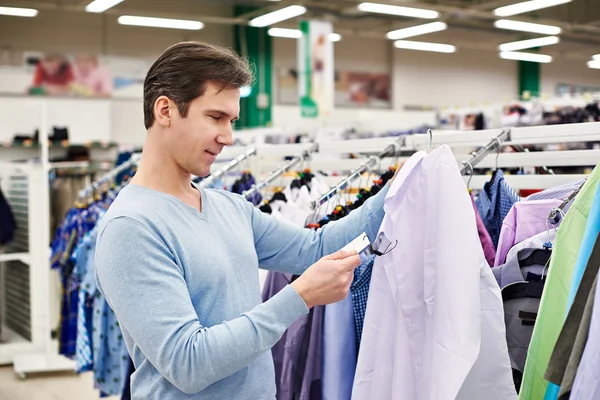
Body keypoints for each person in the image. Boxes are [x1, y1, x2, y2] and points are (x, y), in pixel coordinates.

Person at [94, 41, 399, 399]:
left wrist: (395, 191)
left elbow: (314, 247)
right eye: (215, 117)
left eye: (232, 120)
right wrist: (298, 297)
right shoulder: (131, 228)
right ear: (165, 109)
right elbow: (187, 364)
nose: (228, 137)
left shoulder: (229, 207)